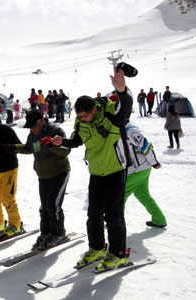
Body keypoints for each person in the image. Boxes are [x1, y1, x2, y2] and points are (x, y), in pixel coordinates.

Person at [52, 67, 133, 272]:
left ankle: (118, 254)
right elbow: (77, 141)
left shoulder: (110, 115)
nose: (83, 119)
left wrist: (122, 91)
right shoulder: (81, 122)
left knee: (114, 216)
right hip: (96, 172)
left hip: (116, 170)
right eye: (80, 116)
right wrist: (64, 142)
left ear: (94, 110)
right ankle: (97, 248)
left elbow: (126, 108)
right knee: (93, 214)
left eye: (86, 115)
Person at [14, 109, 71, 249]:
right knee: (44, 206)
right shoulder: (33, 135)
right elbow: (29, 148)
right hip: (43, 175)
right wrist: (15, 148)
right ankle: (46, 233)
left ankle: (58, 233)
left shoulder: (55, 131)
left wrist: (52, 145)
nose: (32, 130)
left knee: (53, 205)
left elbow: (66, 150)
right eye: (30, 128)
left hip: (59, 173)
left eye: (34, 127)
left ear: (41, 121)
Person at [124, 122, 167, 227]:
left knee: (119, 195)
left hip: (137, 169)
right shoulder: (121, 127)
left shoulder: (129, 129)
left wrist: (154, 162)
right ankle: (159, 220)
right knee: (142, 194)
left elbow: (146, 145)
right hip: (142, 168)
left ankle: (115, 220)